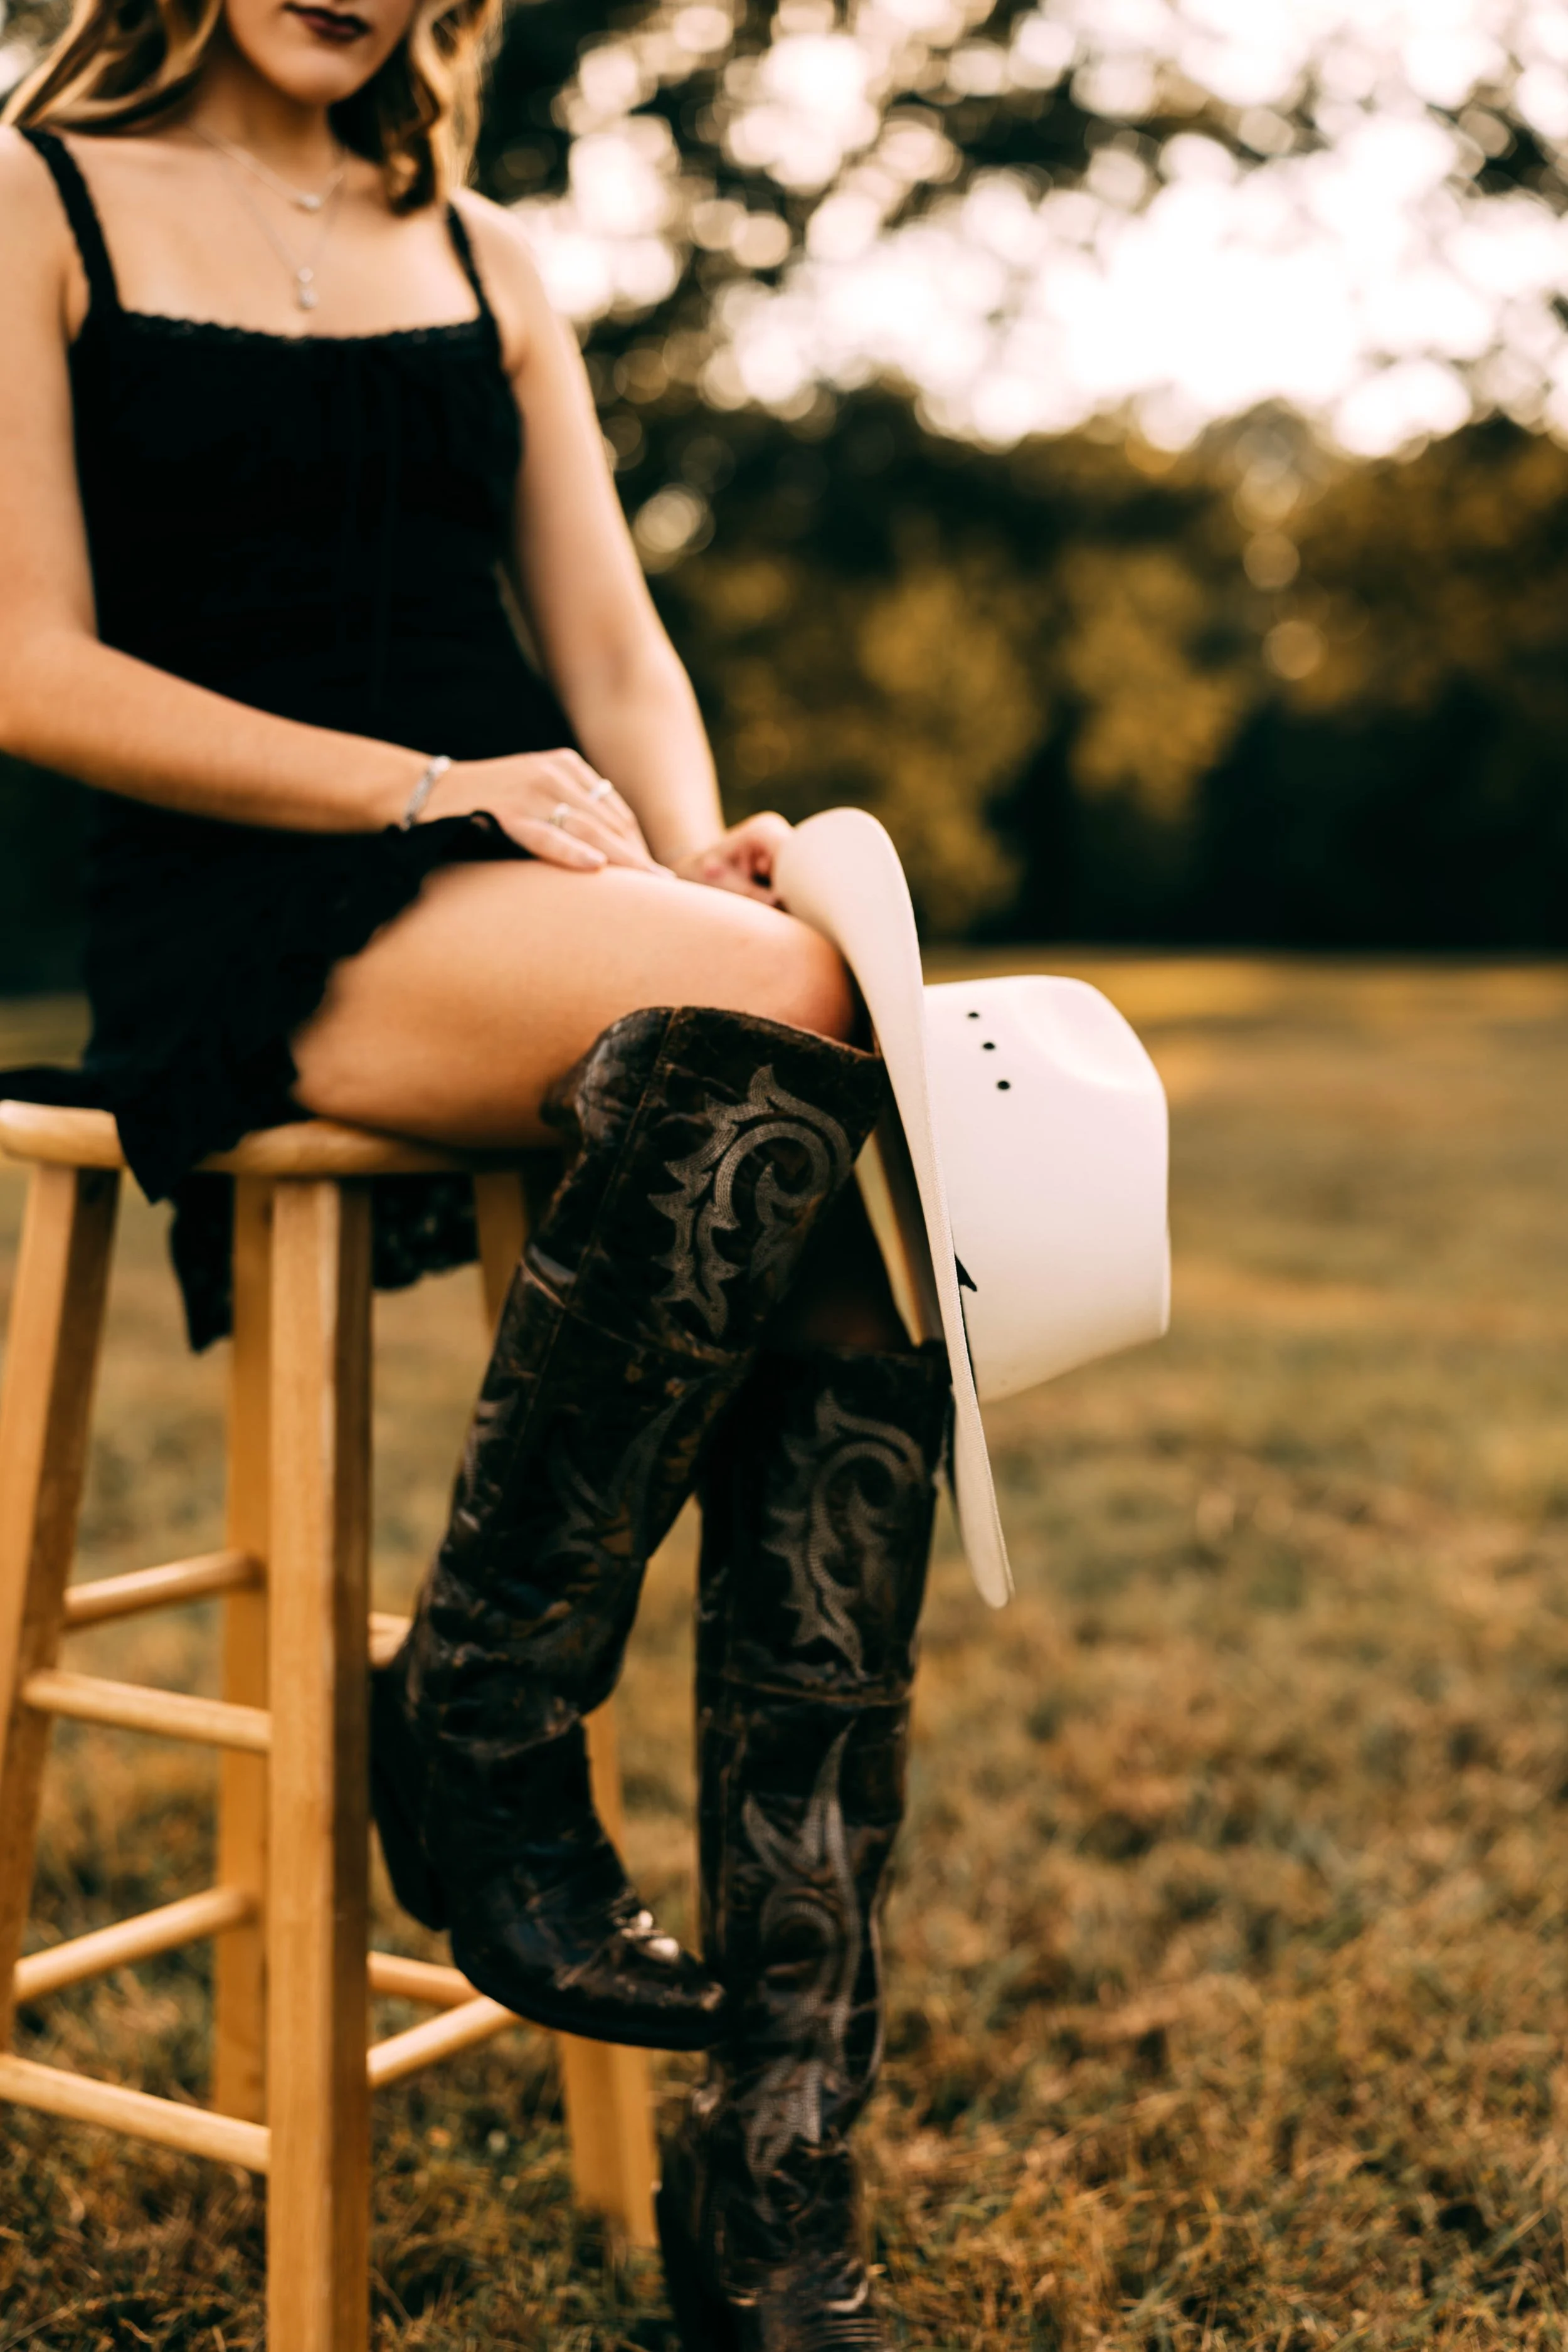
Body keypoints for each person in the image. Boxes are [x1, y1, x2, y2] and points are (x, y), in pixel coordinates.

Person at [0, 0, 952, 2339]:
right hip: (256, 905)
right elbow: (20, 661)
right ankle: (484, 1723)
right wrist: (425, 784)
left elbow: (612, 659)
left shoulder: (488, 249)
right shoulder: (34, 201)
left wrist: (700, 847)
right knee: (802, 1053)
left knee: (849, 1219)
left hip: (520, 873)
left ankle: (775, 2166)